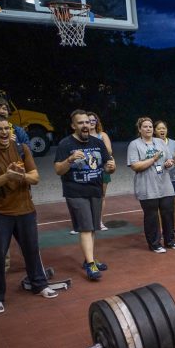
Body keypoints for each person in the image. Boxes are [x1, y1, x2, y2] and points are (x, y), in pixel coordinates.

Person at [0, 114, 58, 314]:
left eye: (7, 128)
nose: (4, 132)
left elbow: (35, 177)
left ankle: (40, 284)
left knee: (32, 249)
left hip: (25, 209)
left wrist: (20, 176)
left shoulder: (22, 148)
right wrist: (6, 176)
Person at [54, 110, 116, 280]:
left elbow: (106, 165)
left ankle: (89, 259)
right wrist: (70, 159)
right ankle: (90, 265)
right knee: (86, 227)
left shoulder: (97, 142)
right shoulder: (65, 144)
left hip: (95, 190)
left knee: (93, 227)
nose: (85, 125)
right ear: (73, 126)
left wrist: (111, 168)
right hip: (75, 192)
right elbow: (58, 169)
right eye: (80, 123)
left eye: (87, 122)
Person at [128, 117, 175, 253]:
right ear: (139, 129)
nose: (148, 129)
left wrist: (169, 163)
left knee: (168, 213)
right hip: (147, 186)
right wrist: (153, 159)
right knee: (151, 216)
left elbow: (169, 159)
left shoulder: (160, 142)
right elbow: (135, 166)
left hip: (164, 184)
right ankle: (155, 244)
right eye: (145, 127)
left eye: (150, 126)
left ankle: (170, 241)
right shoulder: (134, 145)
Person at [155, 120, 175, 236]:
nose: (162, 130)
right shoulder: (153, 144)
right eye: (159, 129)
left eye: (164, 128)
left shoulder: (173, 143)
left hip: (174, 178)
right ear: (155, 131)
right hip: (160, 178)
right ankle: (161, 228)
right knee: (160, 205)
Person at [87, 112, 112, 232]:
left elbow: (109, 151)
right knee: (85, 197)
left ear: (97, 122)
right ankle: (84, 222)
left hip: (102, 169)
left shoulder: (102, 135)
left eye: (93, 120)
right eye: (89, 120)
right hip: (86, 170)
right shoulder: (81, 136)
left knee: (101, 196)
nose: (91, 122)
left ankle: (98, 221)